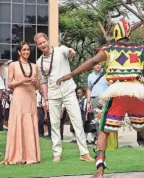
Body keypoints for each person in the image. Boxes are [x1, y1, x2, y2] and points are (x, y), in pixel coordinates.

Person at [57, 18, 144, 177]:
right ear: (128, 33)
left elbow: (92, 61)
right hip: (137, 93)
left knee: (103, 131)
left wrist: (72, 74)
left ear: (116, 32)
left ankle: (100, 170)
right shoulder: (141, 49)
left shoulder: (109, 49)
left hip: (118, 92)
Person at [34, 33, 94, 163]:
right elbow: (43, 82)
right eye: (40, 44)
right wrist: (46, 99)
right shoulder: (39, 62)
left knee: (78, 121)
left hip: (68, 91)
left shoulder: (60, 50)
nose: (43, 45)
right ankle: (57, 154)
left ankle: (84, 153)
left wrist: (71, 51)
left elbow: (68, 51)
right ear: (37, 46)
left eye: (44, 42)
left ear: (48, 41)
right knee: (54, 124)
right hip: (53, 95)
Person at [1, 42, 40, 164]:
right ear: (19, 52)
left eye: (28, 50)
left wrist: (34, 81)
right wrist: (22, 81)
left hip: (31, 98)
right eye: (24, 50)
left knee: (30, 123)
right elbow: (9, 84)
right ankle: (16, 155)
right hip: (19, 96)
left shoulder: (34, 66)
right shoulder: (13, 65)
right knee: (18, 122)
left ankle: (31, 156)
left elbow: (38, 86)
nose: (26, 52)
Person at [86, 63, 109, 144]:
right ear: (93, 66)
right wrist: (88, 102)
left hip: (105, 99)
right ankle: (99, 140)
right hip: (94, 99)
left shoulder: (107, 74)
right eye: (96, 64)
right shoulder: (90, 76)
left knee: (106, 119)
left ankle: (107, 140)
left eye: (99, 64)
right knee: (97, 120)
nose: (97, 66)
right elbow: (89, 89)